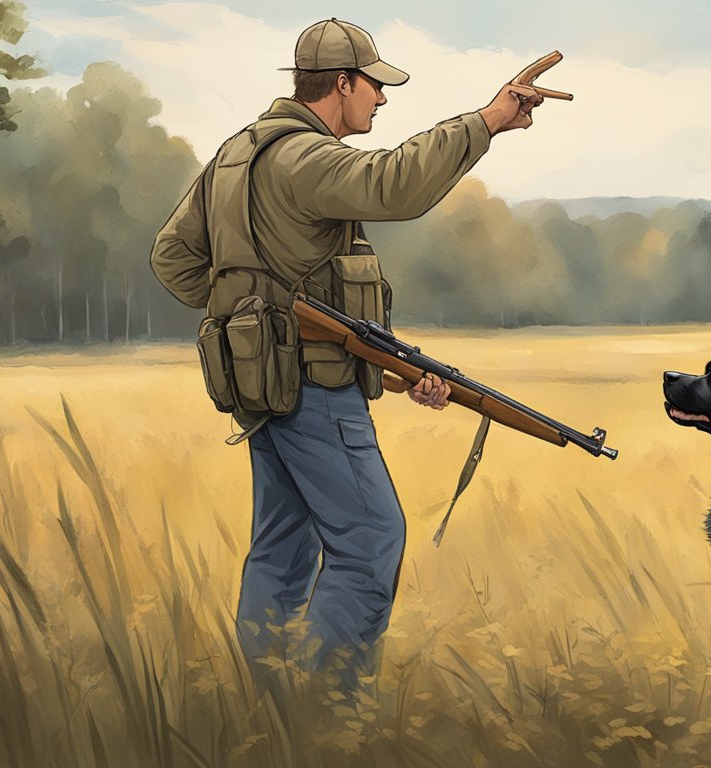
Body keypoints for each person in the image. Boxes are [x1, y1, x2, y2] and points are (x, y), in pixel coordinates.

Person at [150, 17, 545, 689]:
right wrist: (488, 120)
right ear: (340, 83)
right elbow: (396, 183)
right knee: (369, 544)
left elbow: (173, 257)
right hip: (311, 391)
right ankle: (326, 712)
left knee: (282, 549)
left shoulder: (235, 154)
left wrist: (250, 325)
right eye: (374, 86)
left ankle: (263, 704)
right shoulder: (305, 157)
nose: (381, 100)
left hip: (266, 386)